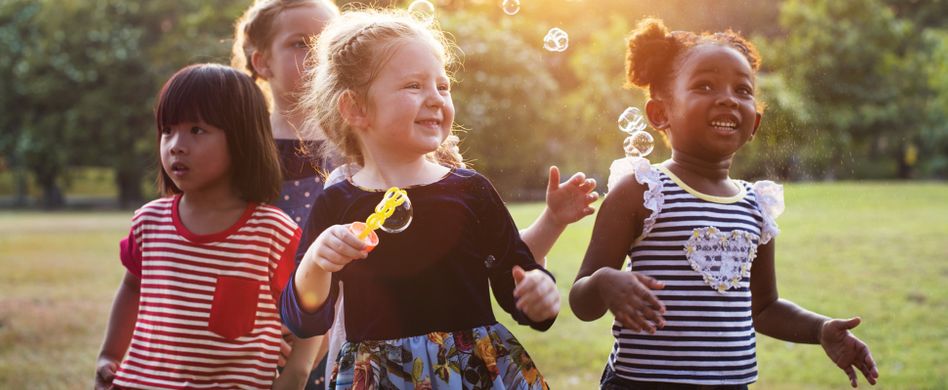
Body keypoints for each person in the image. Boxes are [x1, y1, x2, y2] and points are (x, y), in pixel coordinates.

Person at [233, 1, 599, 388]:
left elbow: (517, 287)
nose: (436, 98)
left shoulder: (470, 191)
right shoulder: (338, 202)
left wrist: (540, 293)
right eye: (413, 85)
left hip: (472, 372)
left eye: (442, 86)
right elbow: (304, 317)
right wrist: (317, 264)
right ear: (355, 108)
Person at [568, 18, 879, 389]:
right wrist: (604, 283)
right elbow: (581, 300)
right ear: (659, 114)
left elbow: (763, 308)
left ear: (755, 124)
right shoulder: (643, 190)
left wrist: (821, 329)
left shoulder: (756, 205)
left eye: (743, 90)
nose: (728, 98)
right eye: (705, 85)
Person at [93, 63, 307, 389]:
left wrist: (294, 373)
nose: (176, 144)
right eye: (167, 130)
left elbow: (311, 313)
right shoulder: (149, 222)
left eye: (197, 130)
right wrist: (109, 354)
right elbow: (132, 288)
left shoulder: (272, 233)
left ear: (242, 138)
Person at [232, 1, 341, 388]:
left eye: (330, 41)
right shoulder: (237, 149)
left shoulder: (359, 146)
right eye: (299, 44)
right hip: (254, 333)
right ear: (262, 63)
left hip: (340, 326)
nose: (318, 55)